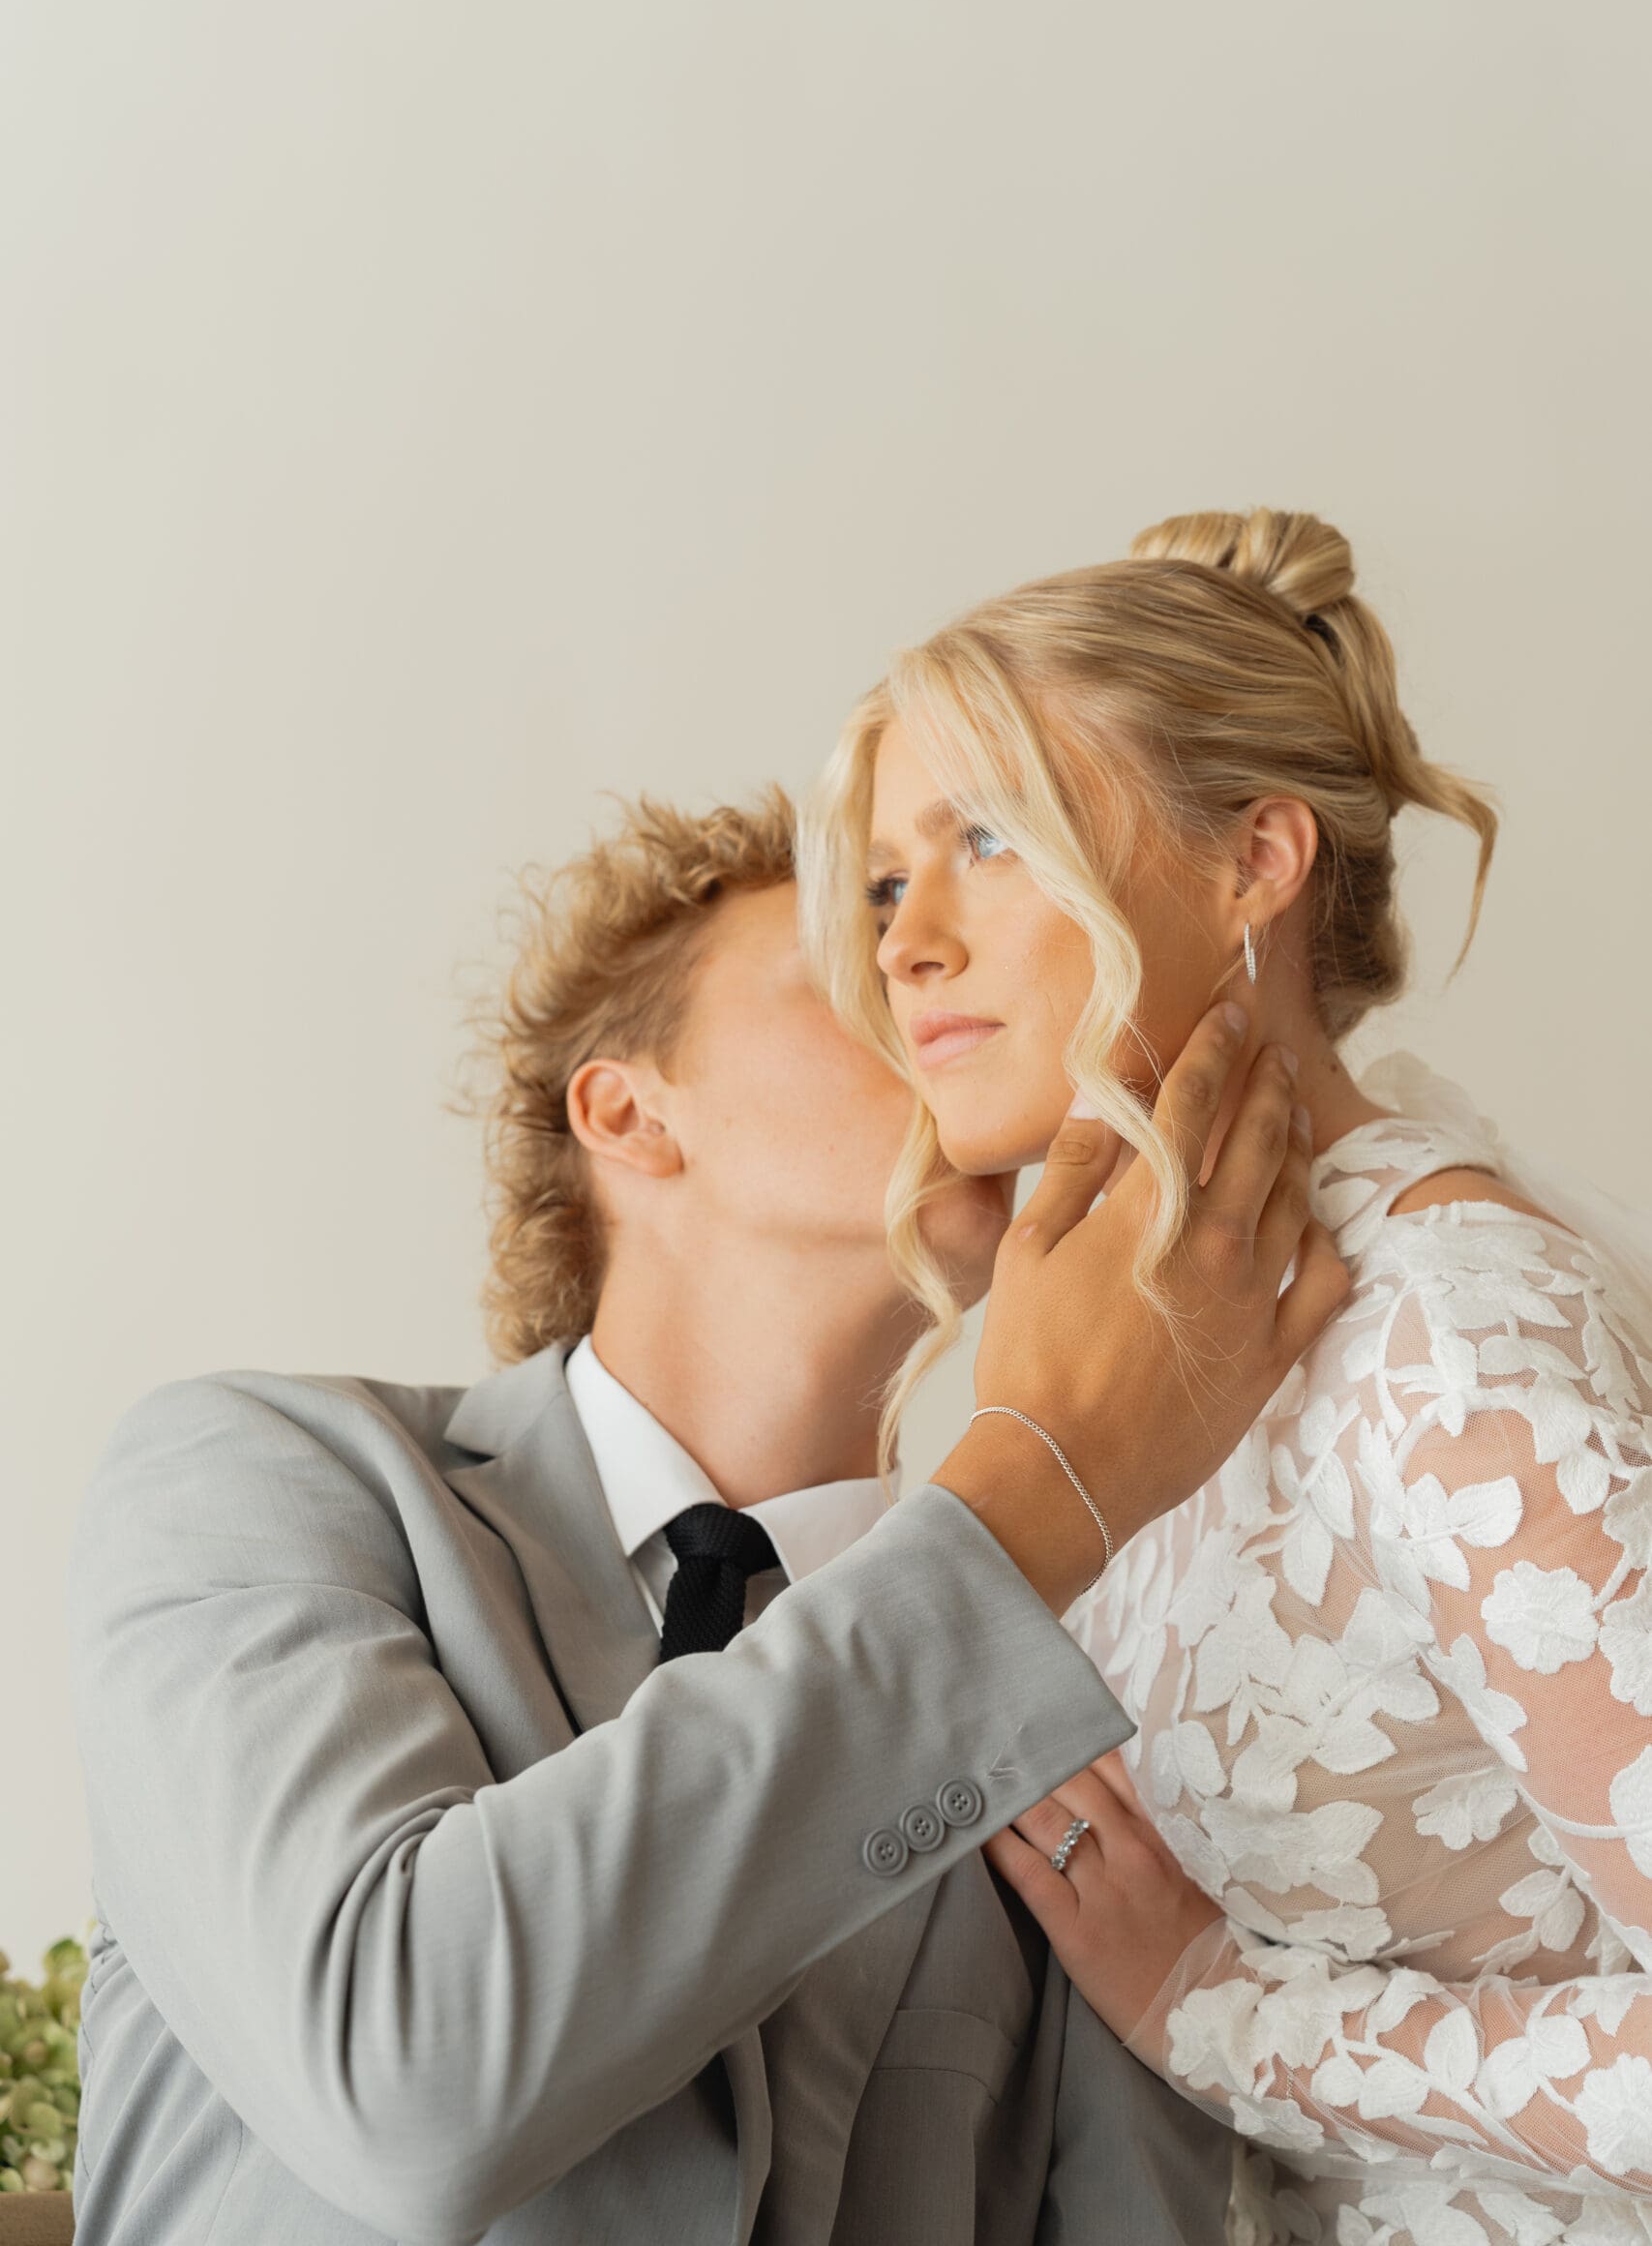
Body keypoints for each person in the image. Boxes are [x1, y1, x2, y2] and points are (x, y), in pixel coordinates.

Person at [63, 783, 1346, 2246]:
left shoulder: (1063, 1704)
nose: (940, 986)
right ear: (629, 1110)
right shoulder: (259, 1481)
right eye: (852, 968)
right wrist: (1026, 1501)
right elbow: (406, 2076)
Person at [795, 502, 1652, 2246]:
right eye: (891, 877)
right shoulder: (1118, 1338)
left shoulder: (1452, 1341)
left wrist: (1218, 2006)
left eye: (993, 841)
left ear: (1256, 859)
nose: (906, 945)